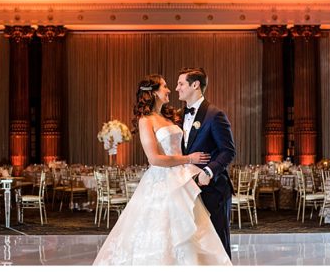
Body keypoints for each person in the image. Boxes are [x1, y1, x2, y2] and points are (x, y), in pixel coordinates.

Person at [92, 75, 232, 265]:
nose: (170, 89)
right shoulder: (146, 120)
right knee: (162, 230)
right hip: (162, 180)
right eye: (165, 86)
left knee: (192, 230)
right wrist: (189, 158)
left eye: (177, 84)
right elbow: (154, 159)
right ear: (154, 92)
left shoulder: (170, 117)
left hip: (182, 180)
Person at [176, 67, 236, 259]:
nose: (177, 88)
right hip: (187, 190)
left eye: (181, 84)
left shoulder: (215, 115)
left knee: (217, 244)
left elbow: (228, 151)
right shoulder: (179, 116)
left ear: (195, 85)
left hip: (213, 190)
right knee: (194, 244)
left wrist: (209, 172)